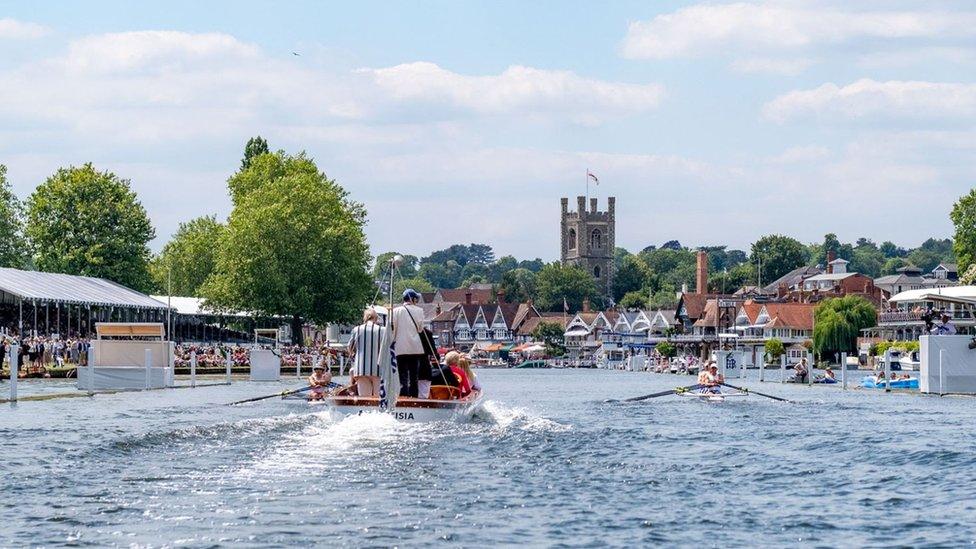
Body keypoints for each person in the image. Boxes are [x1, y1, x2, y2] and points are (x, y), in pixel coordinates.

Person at [391, 289, 427, 398]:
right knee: (413, 375)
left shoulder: (395, 311)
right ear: (413, 299)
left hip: (400, 348)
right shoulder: (419, 311)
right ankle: (414, 397)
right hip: (415, 347)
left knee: (402, 375)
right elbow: (420, 329)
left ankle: (403, 396)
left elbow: (393, 330)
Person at [347, 307, 385, 397]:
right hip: (378, 368)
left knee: (364, 398)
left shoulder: (357, 329)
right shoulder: (382, 330)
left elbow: (350, 347)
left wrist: (353, 356)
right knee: (378, 398)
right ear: (375, 318)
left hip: (360, 368)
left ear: (365, 318)